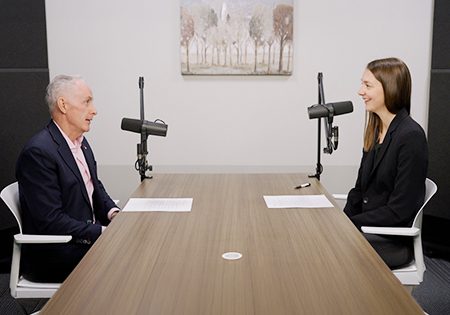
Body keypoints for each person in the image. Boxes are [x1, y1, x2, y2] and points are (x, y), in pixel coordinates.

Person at [16, 75, 120, 282]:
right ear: (63, 105)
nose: (94, 110)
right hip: (57, 253)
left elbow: (94, 185)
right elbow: (51, 221)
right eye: (86, 101)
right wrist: (101, 232)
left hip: (82, 240)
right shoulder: (38, 153)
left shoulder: (81, 142)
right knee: (131, 256)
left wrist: (112, 213)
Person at [344, 57, 428, 269]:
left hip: (392, 240)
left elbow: (399, 210)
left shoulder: (411, 137)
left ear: (390, 89)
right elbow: (359, 191)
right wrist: (342, 221)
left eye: (367, 85)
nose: (360, 91)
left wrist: (351, 225)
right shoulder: (375, 130)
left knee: (326, 249)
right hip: (369, 230)